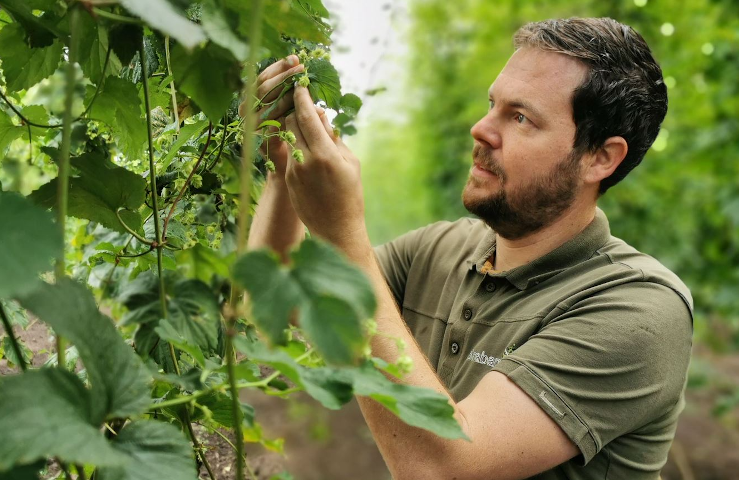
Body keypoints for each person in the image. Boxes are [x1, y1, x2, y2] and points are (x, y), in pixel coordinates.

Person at [243, 17, 693, 479]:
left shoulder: (640, 310)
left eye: (521, 117)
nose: (481, 129)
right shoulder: (439, 249)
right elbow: (272, 300)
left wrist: (343, 239)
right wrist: (283, 170)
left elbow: (440, 468)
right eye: (492, 105)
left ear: (600, 157)